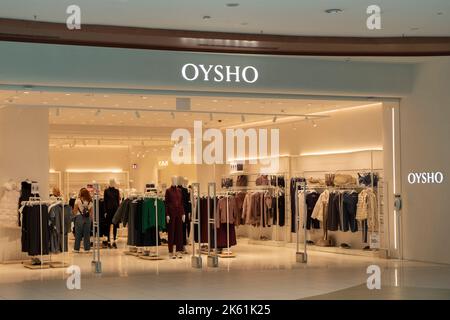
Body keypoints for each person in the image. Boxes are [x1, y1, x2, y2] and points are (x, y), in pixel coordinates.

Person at [73, 188, 93, 253]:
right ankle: (87, 249)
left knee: (78, 234)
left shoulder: (77, 200)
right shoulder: (90, 201)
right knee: (87, 234)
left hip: (79, 218)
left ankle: (76, 249)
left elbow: (75, 211)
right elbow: (91, 212)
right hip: (87, 219)